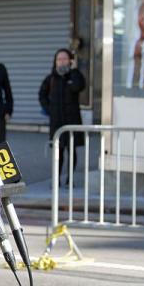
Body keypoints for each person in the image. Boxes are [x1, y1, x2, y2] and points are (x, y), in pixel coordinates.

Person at [39, 48, 86, 185]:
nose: (62, 61)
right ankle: (57, 179)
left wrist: (74, 70)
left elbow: (79, 87)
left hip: (72, 120)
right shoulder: (51, 79)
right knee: (58, 152)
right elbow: (42, 95)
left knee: (72, 151)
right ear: (55, 61)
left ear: (70, 60)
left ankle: (70, 179)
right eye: (59, 59)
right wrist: (49, 109)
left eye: (65, 58)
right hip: (57, 121)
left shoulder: (74, 76)